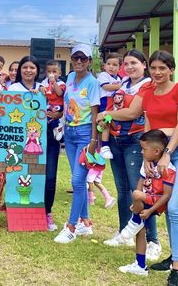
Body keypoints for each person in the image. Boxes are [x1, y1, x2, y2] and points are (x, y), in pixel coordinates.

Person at [98, 50, 178, 286]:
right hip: (157, 150)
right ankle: (176, 257)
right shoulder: (147, 92)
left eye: (163, 68)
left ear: (171, 69)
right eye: (154, 68)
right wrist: (148, 155)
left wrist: (166, 153)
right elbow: (148, 125)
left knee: (174, 206)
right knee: (157, 202)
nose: (158, 72)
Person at [99, 49, 160, 260]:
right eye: (126, 64)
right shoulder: (123, 84)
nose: (130, 67)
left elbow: (133, 112)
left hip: (136, 141)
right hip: (116, 140)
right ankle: (123, 231)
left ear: (144, 65)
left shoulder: (147, 85)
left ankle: (153, 241)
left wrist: (106, 114)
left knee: (140, 191)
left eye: (134, 63)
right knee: (123, 190)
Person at [54, 44, 100, 244]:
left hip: (84, 134)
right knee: (78, 180)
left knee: (77, 180)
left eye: (83, 58)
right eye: (76, 58)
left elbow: (95, 114)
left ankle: (71, 226)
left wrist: (93, 140)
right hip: (70, 133)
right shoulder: (70, 77)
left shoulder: (93, 83)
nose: (79, 61)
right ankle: (85, 222)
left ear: (89, 61)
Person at [119, 130, 175, 277]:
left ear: (156, 151)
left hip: (157, 202)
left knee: (137, 197)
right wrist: (136, 202)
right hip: (145, 200)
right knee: (141, 230)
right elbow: (140, 183)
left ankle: (133, 222)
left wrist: (150, 210)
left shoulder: (168, 169)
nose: (141, 152)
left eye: (144, 149)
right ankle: (140, 265)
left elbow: (167, 194)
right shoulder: (147, 165)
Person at [37, 60, 65, 231]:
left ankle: (47, 212)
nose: (51, 74)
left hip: (53, 128)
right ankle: (32, 209)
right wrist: (40, 89)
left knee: (50, 176)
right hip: (37, 131)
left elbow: (59, 93)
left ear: (60, 73)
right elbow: (40, 92)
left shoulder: (60, 84)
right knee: (34, 174)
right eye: (49, 71)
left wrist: (53, 82)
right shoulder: (42, 83)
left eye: (54, 71)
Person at [97, 53, 122, 159]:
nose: (111, 67)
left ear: (120, 67)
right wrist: (119, 86)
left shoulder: (120, 78)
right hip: (106, 101)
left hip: (115, 103)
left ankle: (107, 144)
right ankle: (104, 146)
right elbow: (106, 86)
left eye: (115, 65)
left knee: (113, 122)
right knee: (106, 123)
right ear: (104, 66)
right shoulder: (103, 75)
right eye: (109, 64)